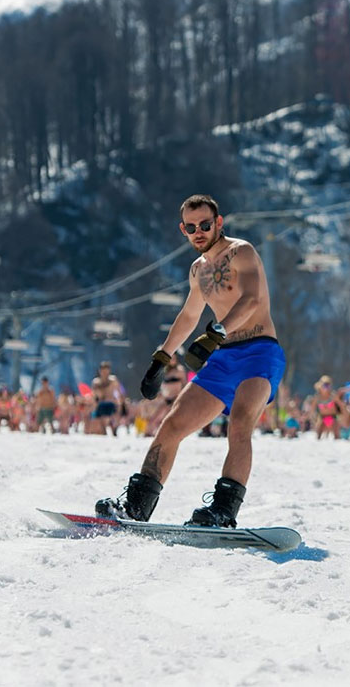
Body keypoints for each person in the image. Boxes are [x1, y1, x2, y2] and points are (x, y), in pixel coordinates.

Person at [97, 194, 286, 528]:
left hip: (259, 352)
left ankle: (223, 512)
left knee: (240, 423)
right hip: (223, 357)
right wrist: (161, 358)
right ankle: (136, 506)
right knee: (172, 426)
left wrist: (217, 332)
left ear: (218, 223)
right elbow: (188, 316)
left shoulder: (241, 251)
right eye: (191, 227)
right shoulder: (198, 270)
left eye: (205, 225)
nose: (199, 232)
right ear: (183, 229)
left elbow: (252, 299)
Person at [87, 362, 125, 436]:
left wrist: (120, 404)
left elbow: (120, 393)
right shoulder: (96, 382)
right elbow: (94, 396)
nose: (105, 373)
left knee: (111, 424)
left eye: (106, 370)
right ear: (100, 371)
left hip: (111, 404)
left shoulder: (113, 380)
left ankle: (113, 428)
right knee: (100, 429)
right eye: (103, 371)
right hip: (101, 405)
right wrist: (93, 407)